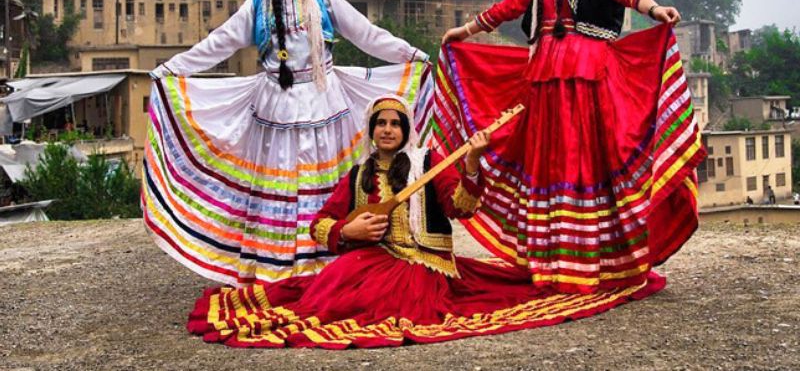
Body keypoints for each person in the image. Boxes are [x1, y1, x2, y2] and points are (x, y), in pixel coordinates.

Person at [186, 95, 664, 348]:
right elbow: (319, 225)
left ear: (405, 130)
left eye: (395, 123)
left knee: (381, 303)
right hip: (368, 260)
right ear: (371, 133)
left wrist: (473, 161)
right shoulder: (356, 177)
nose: (388, 130)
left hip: (424, 267)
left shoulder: (428, 164)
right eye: (380, 124)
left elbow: (462, 205)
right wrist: (346, 231)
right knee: (331, 291)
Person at [439, 0, 706, 294]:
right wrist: (468, 29)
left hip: (585, 73)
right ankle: (553, 261)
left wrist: (655, 9)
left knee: (582, 161)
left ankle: (589, 264)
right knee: (549, 161)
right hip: (545, 74)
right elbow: (515, 3)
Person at [143, 0, 431, 286]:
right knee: (275, 184)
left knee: (329, 185)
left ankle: (330, 263)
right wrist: (172, 69)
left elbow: (366, 33)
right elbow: (218, 44)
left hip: (324, 102)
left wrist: (412, 56)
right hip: (275, 106)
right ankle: (276, 266)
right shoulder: (258, 4)